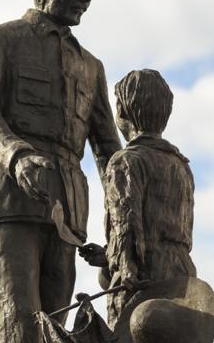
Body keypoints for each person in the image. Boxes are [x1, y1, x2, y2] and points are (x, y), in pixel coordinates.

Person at [0, 0, 121, 343]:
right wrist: (16, 157)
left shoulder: (91, 66)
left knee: (55, 327)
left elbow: (109, 155)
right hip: (6, 201)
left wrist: (122, 233)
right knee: (22, 323)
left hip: (66, 214)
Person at [79, 69, 196, 332]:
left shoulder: (124, 161)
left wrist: (120, 264)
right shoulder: (181, 166)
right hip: (181, 277)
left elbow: (126, 228)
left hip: (141, 281)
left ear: (120, 111)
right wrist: (107, 256)